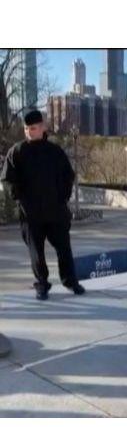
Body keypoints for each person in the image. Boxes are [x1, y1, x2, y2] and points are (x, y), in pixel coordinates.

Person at [0, 110, 85, 300]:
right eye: (26, 129)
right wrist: (19, 198)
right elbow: (8, 179)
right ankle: (42, 285)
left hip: (55, 211)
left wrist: (62, 199)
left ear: (42, 128)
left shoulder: (54, 151)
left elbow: (68, 177)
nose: (29, 132)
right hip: (31, 214)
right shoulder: (17, 151)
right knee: (36, 252)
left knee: (64, 248)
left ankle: (70, 281)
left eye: (33, 128)